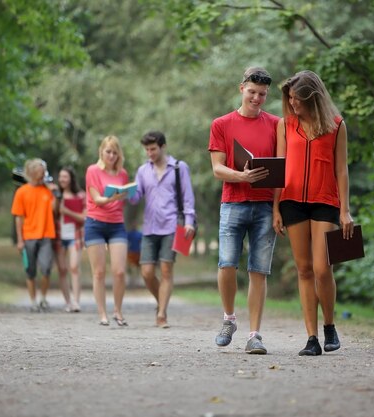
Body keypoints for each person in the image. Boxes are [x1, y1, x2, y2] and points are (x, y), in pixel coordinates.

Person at [272, 70, 352, 356]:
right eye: (290, 99)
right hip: (292, 201)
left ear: (313, 98)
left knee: (322, 268)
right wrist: (275, 208)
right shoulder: (285, 125)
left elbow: (341, 170)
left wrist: (346, 211)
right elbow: (280, 167)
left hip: (325, 200)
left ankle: (330, 326)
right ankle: (311, 338)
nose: (292, 104)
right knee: (304, 269)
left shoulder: (337, 126)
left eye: (297, 99)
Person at [208, 67, 280, 354]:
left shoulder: (277, 124)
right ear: (241, 89)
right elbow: (217, 168)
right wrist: (242, 176)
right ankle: (229, 319)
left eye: (262, 94)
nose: (256, 98)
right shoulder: (222, 124)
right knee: (227, 263)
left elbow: (282, 170)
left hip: (264, 206)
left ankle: (255, 334)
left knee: (259, 271)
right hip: (233, 202)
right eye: (252, 92)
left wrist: (278, 209)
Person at [130, 131, 196, 328]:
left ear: (162, 147)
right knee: (147, 272)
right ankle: (162, 300)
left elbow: (187, 196)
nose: (150, 153)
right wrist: (124, 193)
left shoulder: (179, 168)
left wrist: (189, 221)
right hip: (149, 227)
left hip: (172, 225)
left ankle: (161, 314)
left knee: (166, 269)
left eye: (153, 149)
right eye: (147, 150)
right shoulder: (143, 171)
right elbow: (136, 197)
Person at [84, 135, 130, 326]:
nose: (111, 155)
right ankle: (102, 313)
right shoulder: (92, 171)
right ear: (101, 152)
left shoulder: (123, 174)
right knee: (99, 272)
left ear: (119, 154)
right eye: (108, 151)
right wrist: (114, 198)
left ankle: (117, 311)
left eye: (114, 152)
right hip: (95, 223)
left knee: (119, 271)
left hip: (116, 225)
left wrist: (125, 195)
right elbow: (97, 199)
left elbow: (124, 200)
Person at [11, 159, 57, 312]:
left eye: (44, 171)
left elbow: (55, 210)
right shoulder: (21, 192)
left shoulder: (47, 191)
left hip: (46, 235)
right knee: (30, 271)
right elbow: (18, 217)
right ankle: (33, 302)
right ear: (31, 173)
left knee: (46, 268)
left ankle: (43, 298)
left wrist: (54, 193)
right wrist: (19, 240)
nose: (43, 174)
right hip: (29, 236)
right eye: (40, 171)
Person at [54, 166, 86, 313]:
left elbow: (84, 218)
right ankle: (67, 301)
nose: (62, 179)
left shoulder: (80, 196)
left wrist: (67, 211)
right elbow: (52, 214)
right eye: (60, 176)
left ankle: (76, 301)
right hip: (59, 235)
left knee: (74, 267)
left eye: (65, 176)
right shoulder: (55, 195)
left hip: (76, 234)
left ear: (71, 178)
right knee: (62, 269)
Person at [126, 222, 143, 288]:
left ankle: (135, 281)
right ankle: (133, 280)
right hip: (132, 252)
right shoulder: (130, 234)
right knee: (133, 267)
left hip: (137, 252)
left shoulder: (138, 234)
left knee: (136, 267)